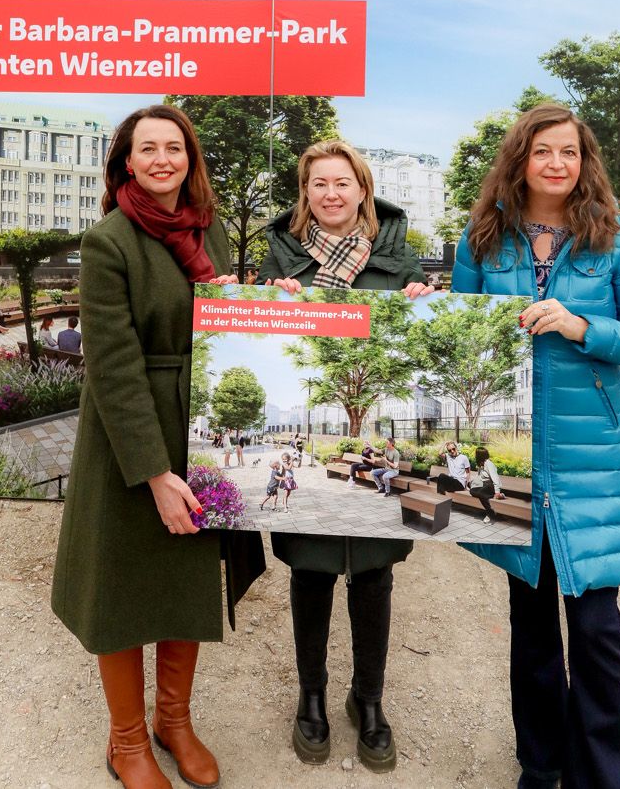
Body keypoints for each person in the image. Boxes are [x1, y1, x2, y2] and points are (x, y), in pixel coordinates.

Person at [454, 104, 620, 789]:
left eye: (569, 152)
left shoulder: (618, 239)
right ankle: (539, 764)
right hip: (513, 455)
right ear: (520, 160)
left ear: (585, 162)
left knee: (598, 629)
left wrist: (583, 327)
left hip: (591, 460)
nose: (556, 163)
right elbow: (461, 337)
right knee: (533, 626)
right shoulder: (484, 239)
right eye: (542, 151)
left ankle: (606, 775)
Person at [50, 105, 264, 789]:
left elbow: (230, 325)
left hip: (197, 423)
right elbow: (111, 367)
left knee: (184, 582)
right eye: (150, 149)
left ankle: (174, 720)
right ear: (127, 161)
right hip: (128, 435)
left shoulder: (212, 232)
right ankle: (126, 740)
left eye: (175, 147)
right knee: (120, 590)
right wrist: (155, 473)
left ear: (189, 159)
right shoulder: (108, 241)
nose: (164, 159)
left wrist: (254, 309)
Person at [258, 139, 433, 772]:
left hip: (377, 437)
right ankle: (311, 695)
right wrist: (260, 303)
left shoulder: (398, 264)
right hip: (322, 429)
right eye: (318, 185)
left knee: (375, 579)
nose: (331, 195)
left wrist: (425, 303)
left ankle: (369, 697)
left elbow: (420, 344)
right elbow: (250, 337)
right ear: (304, 196)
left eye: (342, 183)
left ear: (363, 190)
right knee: (309, 576)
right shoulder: (279, 268)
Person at [471, 445, 505, 526]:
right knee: (472, 491)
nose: (475, 456)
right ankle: (500, 496)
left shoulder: (489, 464)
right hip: (485, 486)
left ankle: (490, 512)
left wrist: (497, 491)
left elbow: (495, 479)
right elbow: (479, 477)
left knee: (481, 493)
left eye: (476, 454)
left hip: (491, 486)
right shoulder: (481, 464)